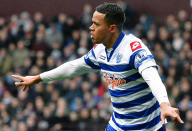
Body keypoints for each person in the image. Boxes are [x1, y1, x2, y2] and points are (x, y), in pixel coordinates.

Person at [12, 2, 184, 131]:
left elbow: (152, 76)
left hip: (148, 127)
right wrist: (39, 77)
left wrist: (164, 104)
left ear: (112, 28)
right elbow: (74, 67)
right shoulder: (100, 50)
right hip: (118, 125)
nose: (90, 27)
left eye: (96, 24)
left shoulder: (133, 49)